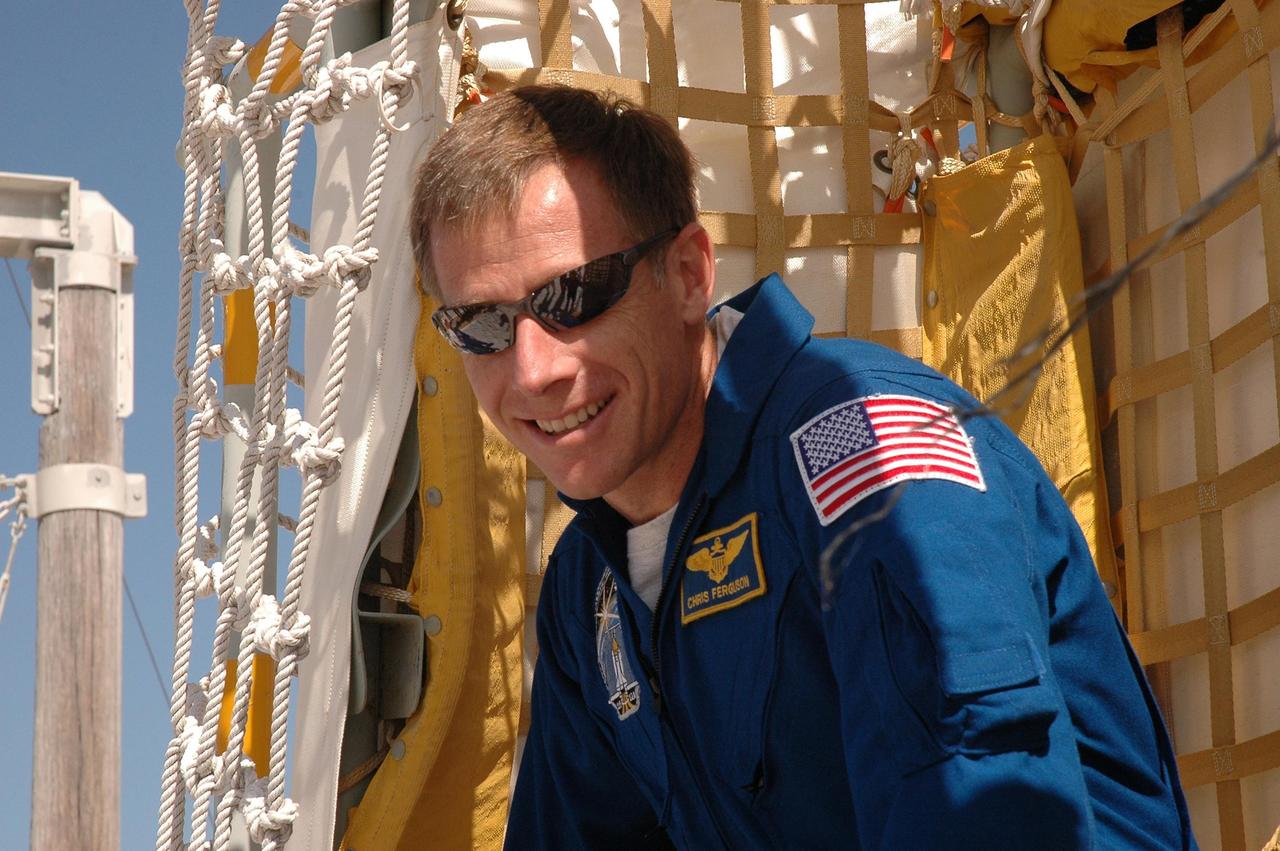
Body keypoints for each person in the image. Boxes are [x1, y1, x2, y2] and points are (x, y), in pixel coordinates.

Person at [409, 85, 1195, 849]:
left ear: (688, 274)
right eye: (484, 324)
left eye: (573, 294)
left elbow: (983, 800)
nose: (533, 368)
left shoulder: (863, 451)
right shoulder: (589, 592)